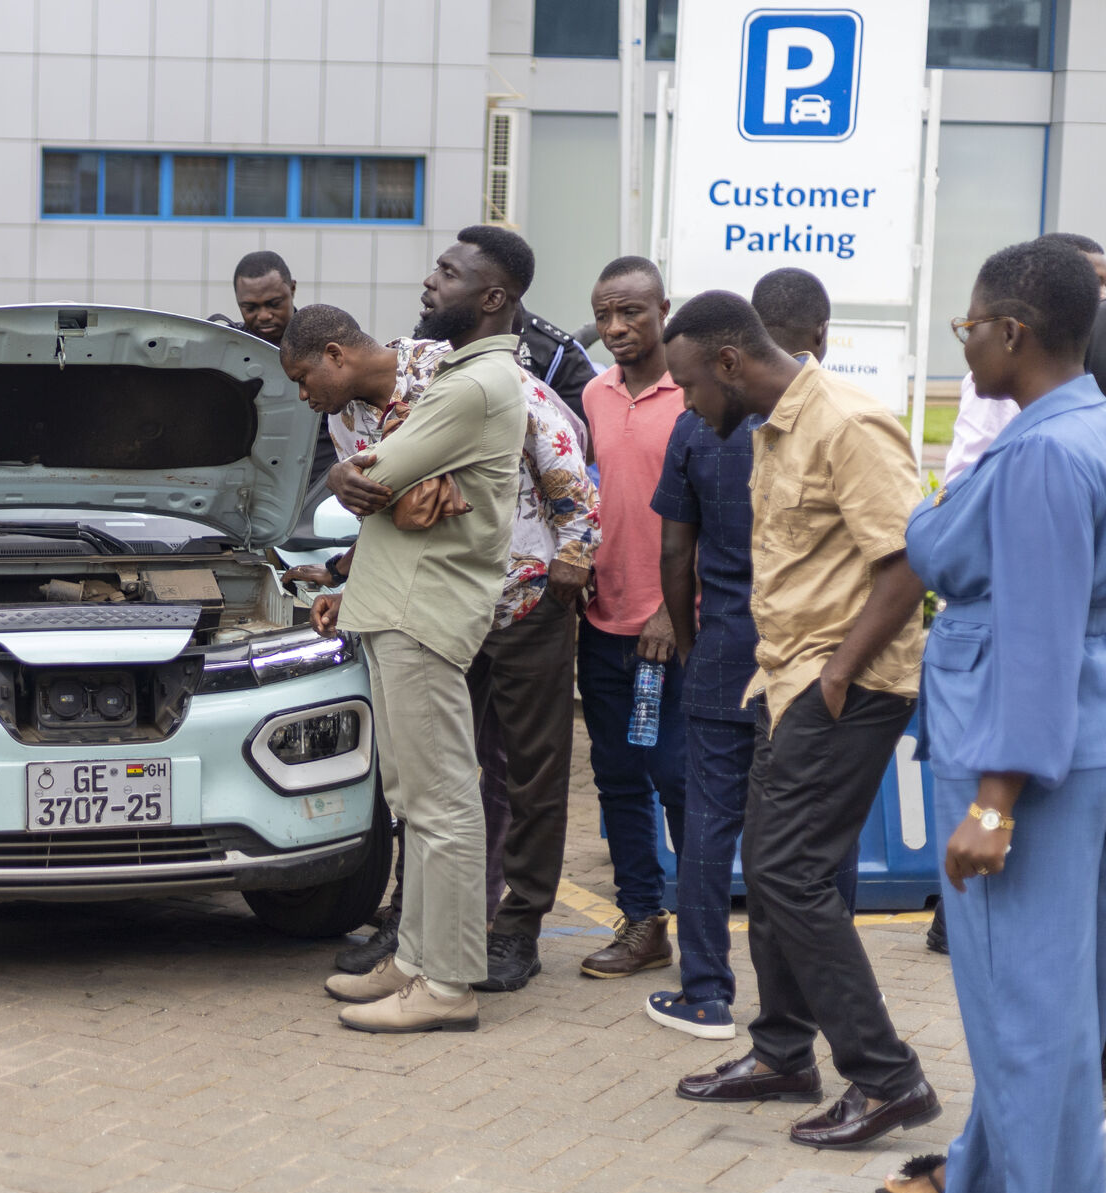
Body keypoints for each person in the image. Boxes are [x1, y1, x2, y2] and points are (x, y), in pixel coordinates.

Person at [664, 291, 938, 1149]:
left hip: (848, 685)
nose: (685, 403)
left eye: (687, 385)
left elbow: (904, 563)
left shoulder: (848, 424)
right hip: (783, 681)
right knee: (779, 869)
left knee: (788, 873)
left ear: (730, 363)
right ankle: (783, 1052)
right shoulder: (769, 428)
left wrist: (839, 672)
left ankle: (887, 1077)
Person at [873, 239, 1106, 1193]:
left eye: (967, 327)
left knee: (1024, 1024)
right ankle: (992, 1184)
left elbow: (1035, 632)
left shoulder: (1046, 452)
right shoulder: (1073, 425)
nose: (962, 344)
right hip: (1062, 746)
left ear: (1011, 332)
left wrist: (993, 802)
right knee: (1053, 1018)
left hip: (1020, 766)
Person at [284, 287, 599, 993]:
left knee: (529, 776)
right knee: (431, 780)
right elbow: (378, 510)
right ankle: (419, 934)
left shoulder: (460, 379)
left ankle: (517, 929)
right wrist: (348, 582)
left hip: (521, 595)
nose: (304, 397)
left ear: (335, 354)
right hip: (434, 605)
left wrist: (569, 571)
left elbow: (564, 463)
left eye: (305, 380)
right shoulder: (349, 417)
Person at [309, 234, 526, 1033]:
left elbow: (371, 475)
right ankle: (415, 961)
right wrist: (380, 479)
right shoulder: (463, 378)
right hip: (400, 604)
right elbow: (387, 480)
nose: (429, 283)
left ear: (494, 296)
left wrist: (350, 473)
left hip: (424, 609)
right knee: (414, 798)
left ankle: (448, 982)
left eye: (448, 273)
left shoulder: (474, 386)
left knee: (443, 804)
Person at [642, 269, 854, 1041]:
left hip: (727, 648)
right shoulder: (836, 421)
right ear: (817, 336)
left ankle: (705, 991)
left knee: (708, 826)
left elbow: (675, 553)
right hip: (811, 661)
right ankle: (826, 984)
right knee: (815, 836)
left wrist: (692, 641)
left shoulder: (701, 425)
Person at [575, 256, 688, 980]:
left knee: (676, 779)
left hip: (670, 631)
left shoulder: (696, 395)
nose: (616, 328)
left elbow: (719, 520)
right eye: (605, 313)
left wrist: (673, 613)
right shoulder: (593, 394)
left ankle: (706, 931)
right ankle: (644, 922)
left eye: (632, 313)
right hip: (602, 623)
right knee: (616, 778)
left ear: (662, 310)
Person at [945, 232, 1104, 480]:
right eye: (1092, 282)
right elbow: (965, 476)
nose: (1100, 294)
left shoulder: (1048, 446)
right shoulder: (999, 382)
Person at [233, 250, 340, 530]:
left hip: (320, 487)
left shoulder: (331, 342)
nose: (264, 315)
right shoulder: (230, 351)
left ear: (292, 288)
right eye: (250, 308)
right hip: (248, 492)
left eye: (274, 303)